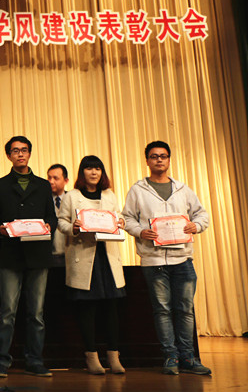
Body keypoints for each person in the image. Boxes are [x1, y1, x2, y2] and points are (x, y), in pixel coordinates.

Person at [122, 141, 211, 376]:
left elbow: (202, 214)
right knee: (162, 310)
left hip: (183, 259)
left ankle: (188, 358)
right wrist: (140, 231)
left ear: (169, 159)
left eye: (163, 156)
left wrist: (195, 226)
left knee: (185, 310)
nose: (159, 160)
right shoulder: (138, 190)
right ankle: (170, 357)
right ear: (147, 161)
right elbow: (127, 218)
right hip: (154, 262)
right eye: (154, 156)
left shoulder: (183, 189)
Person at [0, 136, 56, 378]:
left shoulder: (43, 185)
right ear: (9, 156)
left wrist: (49, 226)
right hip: (11, 255)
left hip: (38, 255)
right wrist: (0, 229)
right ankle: (1, 361)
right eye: (15, 151)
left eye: (24, 150)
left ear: (30, 153)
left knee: (36, 313)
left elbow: (51, 216)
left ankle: (35, 361)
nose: (20, 154)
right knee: (7, 312)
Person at [57, 156, 126, 375]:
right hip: (84, 256)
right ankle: (91, 357)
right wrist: (74, 227)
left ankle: (113, 356)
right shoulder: (72, 196)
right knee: (87, 309)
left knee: (111, 309)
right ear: (82, 172)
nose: (93, 172)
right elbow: (61, 222)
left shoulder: (109, 195)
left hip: (108, 257)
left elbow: (119, 216)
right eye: (89, 168)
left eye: (97, 168)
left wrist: (121, 222)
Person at [47, 164, 70, 266]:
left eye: (55, 178)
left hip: (70, 254)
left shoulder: (73, 199)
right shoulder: (43, 200)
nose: (51, 181)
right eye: (49, 178)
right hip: (50, 256)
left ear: (66, 181)